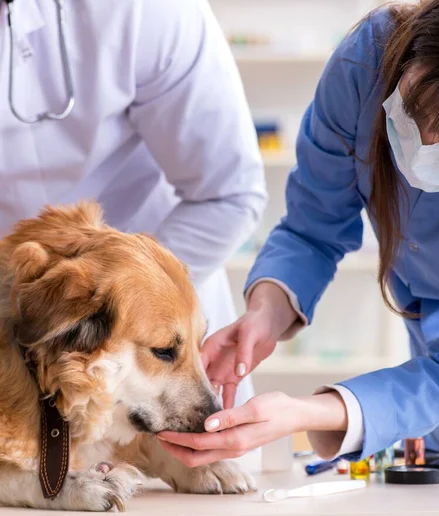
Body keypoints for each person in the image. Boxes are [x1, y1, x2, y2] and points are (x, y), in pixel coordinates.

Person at [158, 0, 439, 515]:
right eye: (417, 108)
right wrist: (264, 313)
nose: (425, 143)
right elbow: (311, 227)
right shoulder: (369, 61)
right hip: (427, 403)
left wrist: (304, 412)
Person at [0, 0, 266, 406]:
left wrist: (128, 305)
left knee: (188, 461)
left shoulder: (149, 10)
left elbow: (229, 191)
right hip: (11, 327)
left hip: (154, 334)